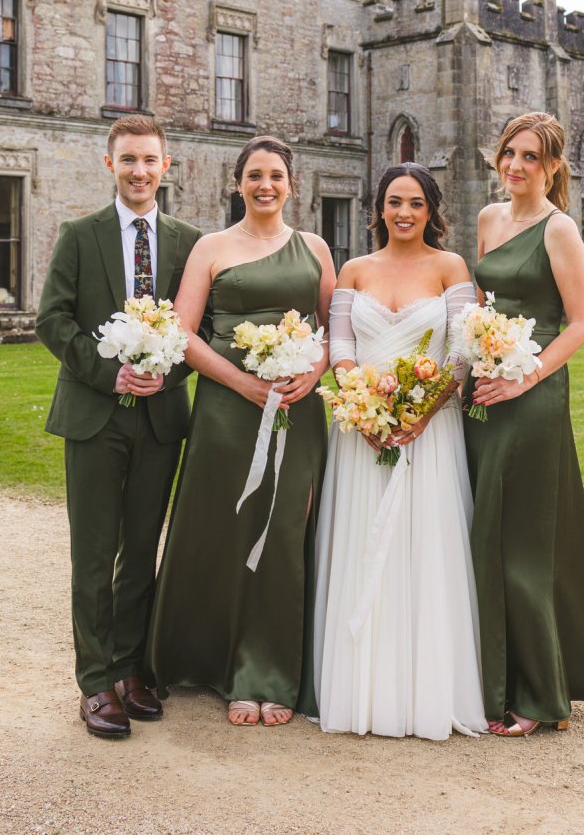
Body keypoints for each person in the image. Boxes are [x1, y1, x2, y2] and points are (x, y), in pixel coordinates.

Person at [145, 136, 336, 727]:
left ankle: (269, 672)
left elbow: (335, 328)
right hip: (227, 412)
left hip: (295, 410)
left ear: (291, 183)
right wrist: (242, 382)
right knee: (222, 528)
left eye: (276, 175)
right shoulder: (212, 247)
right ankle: (210, 660)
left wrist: (315, 368)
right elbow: (185, 332)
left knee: (282, 533)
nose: (266, 185)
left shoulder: (315, 248)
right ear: (238, 183)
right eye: (254, 175)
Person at [464, 111, 584, 737]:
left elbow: (582, 322)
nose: (515, 166)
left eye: (530, 157)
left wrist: (525, 376)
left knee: (523, 539)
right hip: (482, 388)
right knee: (485, 530)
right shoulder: (487, 219)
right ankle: (492, 680)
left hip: (531, 391)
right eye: (509, 153)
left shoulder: (560, 230)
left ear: (553, 168)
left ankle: (538, 693)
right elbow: (484, 304)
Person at [36, 115, 203, 739]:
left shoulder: (189, 243)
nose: (139, 171)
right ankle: (95, 681)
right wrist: (110, 376)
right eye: (128, 159)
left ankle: (132, 668)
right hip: (93, 417)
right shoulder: (81, 235)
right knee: (93, 552)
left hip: (160, 420)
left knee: (141, 552)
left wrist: (168, 373)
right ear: (111, 164)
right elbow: (52, 320)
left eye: (149, 160)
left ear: (166, 166)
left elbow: (202, 331)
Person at [314, 163, 487, 740]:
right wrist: (363, 406)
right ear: (379, 208)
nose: (404, 213)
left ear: (432, 210)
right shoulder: (354, 270)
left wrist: (423, 411)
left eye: (416, 203)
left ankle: (426, 690)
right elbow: (339, 347)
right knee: (362, 545)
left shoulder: (450, 268)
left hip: (430, 435)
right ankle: (361, 691)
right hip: (362, 435)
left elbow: (464, 351)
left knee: (425, 547)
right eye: (394, 202)